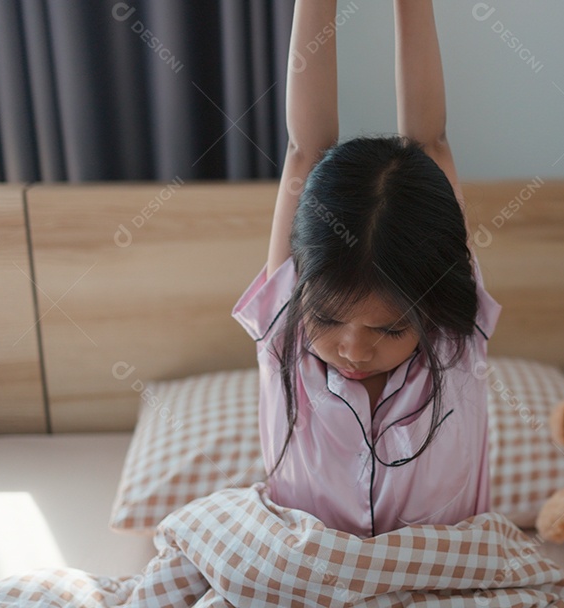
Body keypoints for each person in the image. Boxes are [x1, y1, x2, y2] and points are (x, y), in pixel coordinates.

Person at [232, 0, 501, 538]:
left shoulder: (454, 338)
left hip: (440, 586)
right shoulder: (284, 333)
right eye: (328, 320)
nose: (354, 349)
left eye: (391, 328)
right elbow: (305, 149)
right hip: (309, 584)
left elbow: (430, 140)